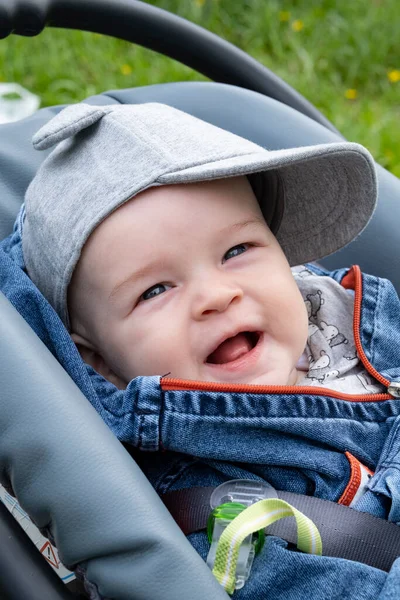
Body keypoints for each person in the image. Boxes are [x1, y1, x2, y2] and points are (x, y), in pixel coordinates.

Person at [2, 102, 400, 599]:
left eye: (237, 251)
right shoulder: (211, 512)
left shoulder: (359, 318)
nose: (216, 296)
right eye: (154, 290)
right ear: (99, 362)